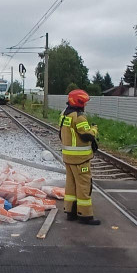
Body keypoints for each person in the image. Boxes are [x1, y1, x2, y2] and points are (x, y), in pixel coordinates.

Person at [60, 89, 101, 225]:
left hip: (68, 158)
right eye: (84, 102)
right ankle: (85, 215)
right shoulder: (79, 117)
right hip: (80, 160)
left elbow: (61, 134)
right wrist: (94, 129)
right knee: (84, 186)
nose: (85, 105)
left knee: (71, 185)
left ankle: (70, 212)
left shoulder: (64, 115)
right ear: (79, 102)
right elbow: (86, 136)